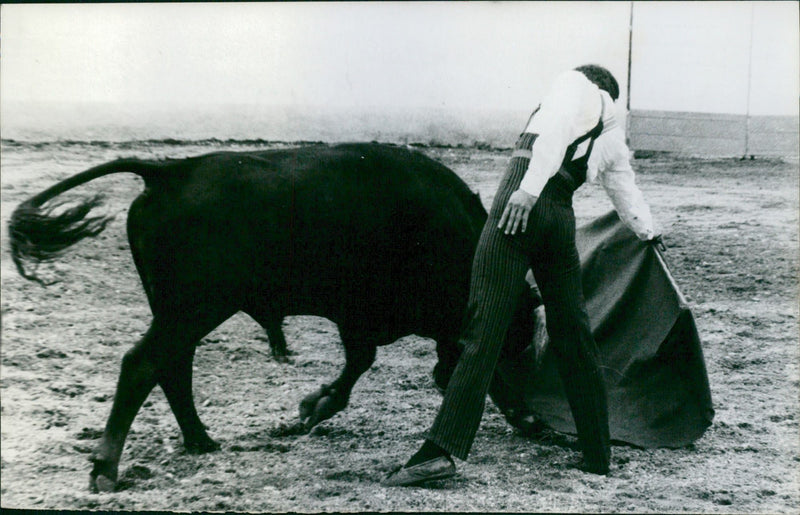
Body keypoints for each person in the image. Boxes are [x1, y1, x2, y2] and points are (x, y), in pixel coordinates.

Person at [383, 64, 658, 487]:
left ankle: (441, 451)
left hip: (521, 206)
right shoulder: (612, 132)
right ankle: (597, 454)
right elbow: (624, 189)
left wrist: (527, 192)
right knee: (574, 335)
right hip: (559, 218)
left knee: (482, 331)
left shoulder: (576, 86)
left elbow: (551, 130)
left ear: (592, 80)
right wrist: (648, 230)